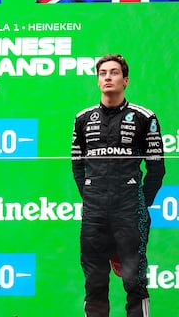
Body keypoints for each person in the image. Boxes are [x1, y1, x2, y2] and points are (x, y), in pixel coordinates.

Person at [71, 54, 165, 317]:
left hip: (129, 211)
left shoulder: (144, 117)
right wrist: (92, 196)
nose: (108, 77)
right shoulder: (82, 118)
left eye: (113, 72)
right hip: (94, 214)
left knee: (134, 282)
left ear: (125, 80)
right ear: (98, 80)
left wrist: (137, 201)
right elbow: (77, 166)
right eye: (103, 73)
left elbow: (156, 168)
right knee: (95, 283)